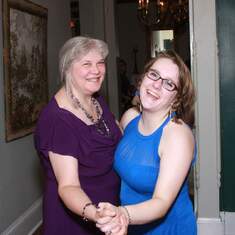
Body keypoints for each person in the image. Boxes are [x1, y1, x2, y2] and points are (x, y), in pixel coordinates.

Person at [96, 50, 197, 235]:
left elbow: (161, 202)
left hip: (167, 229)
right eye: (154, 74)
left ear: (177, 99)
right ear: (142, 79)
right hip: (132, 225)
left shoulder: (177, 136)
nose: (156, 85)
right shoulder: (129, 118)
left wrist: (123, 213)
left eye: (169, 84)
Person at [34, 36, 124, 235]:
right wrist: (95, 214)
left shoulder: (96, 100)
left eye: (100, 62)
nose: (96, 70)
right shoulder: (58, 120)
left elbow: (114, 134)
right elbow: (69, 186)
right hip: (77, 219)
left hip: (110, 208)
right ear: (67, 68)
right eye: (87, 64)